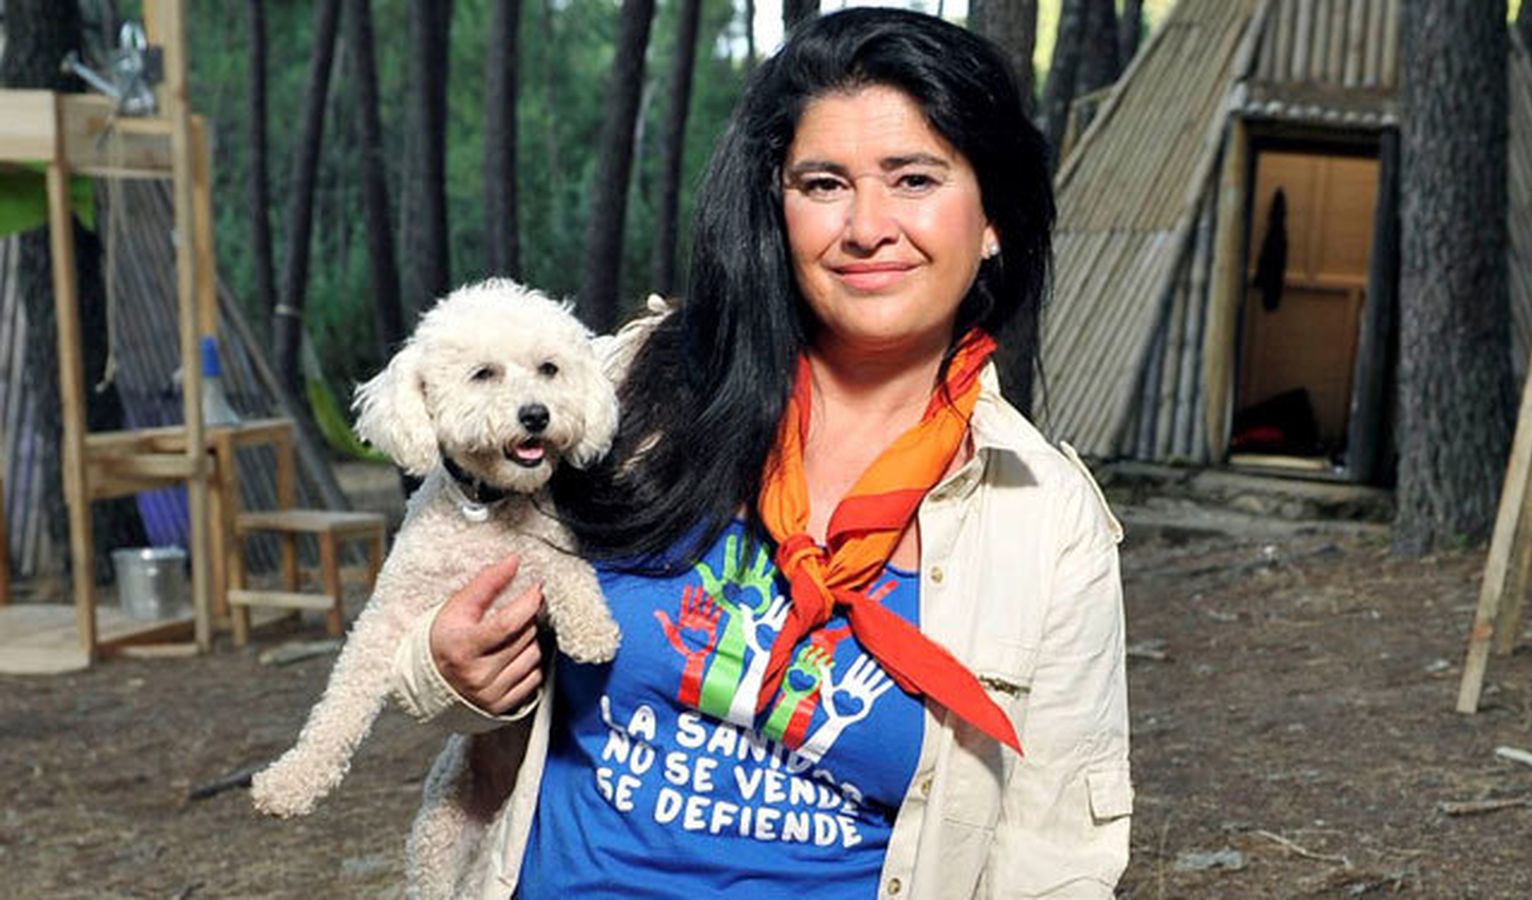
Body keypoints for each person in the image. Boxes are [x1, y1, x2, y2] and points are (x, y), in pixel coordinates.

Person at [394, 8, 1130, 898]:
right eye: (823, 183)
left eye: (914, 179)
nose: (867, 227)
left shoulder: (1047, 523)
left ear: (992, 220)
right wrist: (449, 667)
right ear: (775, 209)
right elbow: (431, 589)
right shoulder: (628, 388)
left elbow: (1056, 859)